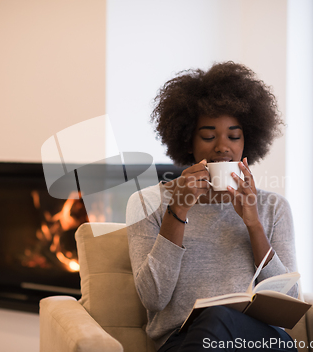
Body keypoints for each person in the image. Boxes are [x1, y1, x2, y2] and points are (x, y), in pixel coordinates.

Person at [126, 61, 299, 352]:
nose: (222, 146)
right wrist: (178, 211)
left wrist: (253, 223)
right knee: (213, 322)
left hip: (260, 342)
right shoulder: (148, 203)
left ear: (247, 142)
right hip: (184, 341)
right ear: (187, 141)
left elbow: (290, 301)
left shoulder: (274, 207)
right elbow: (154, 299)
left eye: (234, 136)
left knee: (220, 317)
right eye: (208, 136)